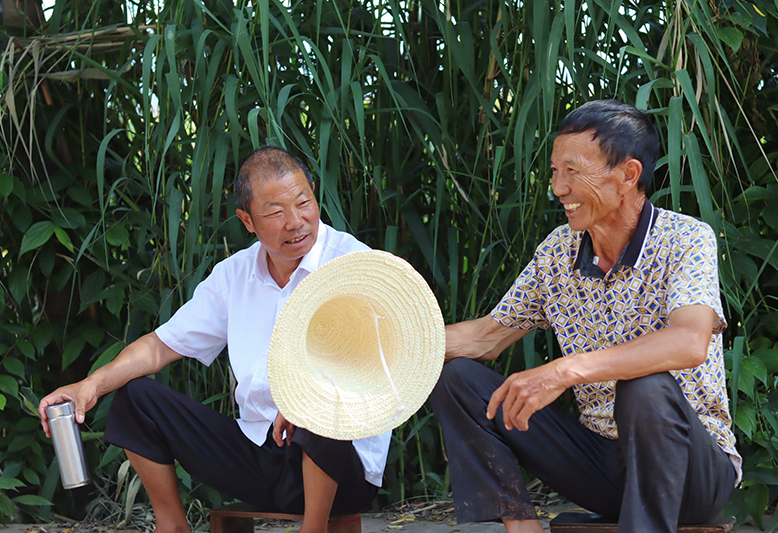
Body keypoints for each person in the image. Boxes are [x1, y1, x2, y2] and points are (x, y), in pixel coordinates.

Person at [38, 146, 391, 533]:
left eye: (303, 203)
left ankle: (314, 528)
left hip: (341, 469)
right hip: (259, 455)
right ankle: (172, 525)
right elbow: (160, 346)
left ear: (313, 194)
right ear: (247, 220)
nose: (296, 222)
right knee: (136, 398)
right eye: (275, 213)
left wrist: (305, 396)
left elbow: (379, 364)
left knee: (318, 403)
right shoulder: (234, 275)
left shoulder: (353, 264)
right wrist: (90, 385)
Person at [431, 99, 739, 533]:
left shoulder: (685, 238)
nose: (559, 187)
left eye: (573, 172)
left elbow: (688, 342)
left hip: (688, 470)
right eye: (555, 172)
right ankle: (520, 524)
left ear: (628, 175)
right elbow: (484, 337)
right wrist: (393, 344)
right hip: (603, 467)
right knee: (459, 379)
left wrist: (562, 372)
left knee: (646, 386)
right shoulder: (557, 252)